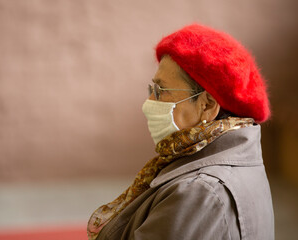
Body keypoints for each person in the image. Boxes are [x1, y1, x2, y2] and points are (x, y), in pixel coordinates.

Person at [87, 23, 274, 240]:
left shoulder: (200, 192)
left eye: (160, 91)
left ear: (207, 105)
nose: (148, 103)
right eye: (151, 90)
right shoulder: (224, 161)